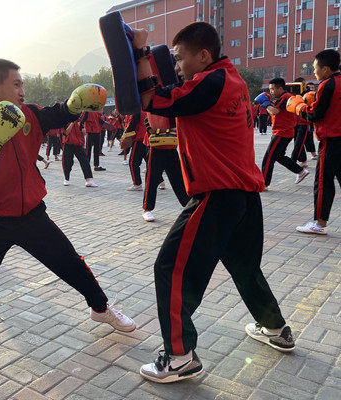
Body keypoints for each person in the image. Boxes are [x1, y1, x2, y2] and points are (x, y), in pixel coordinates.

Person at [0, 58, 135, 379]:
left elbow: (57, 113)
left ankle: (101, 309)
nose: (22, 90)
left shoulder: (29, 114)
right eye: (16, 84)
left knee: (70, 263)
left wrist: (76, 104)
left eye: (22, 84)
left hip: (32, 214)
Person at [129, 22, 294, 383]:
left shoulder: (210, 82)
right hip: (245, 196)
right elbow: (173, 93)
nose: (177, 65)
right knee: (244, 267)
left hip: (219, 195)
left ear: (203, 55)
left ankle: (179, 356)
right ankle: (276, 328)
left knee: (169, 270)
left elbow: (153, 100)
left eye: (180, 58)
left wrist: (141, 53)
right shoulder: (230, 79)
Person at [292, 50, 341, 235]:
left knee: (323, 183)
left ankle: (319, 224)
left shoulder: (327, 85)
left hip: (331, 140)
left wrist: (299, 108)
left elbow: (315, 115)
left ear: (326, 69)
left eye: (315, 68)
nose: (314, 72)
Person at [259, 78, 309, 189]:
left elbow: (274, 112)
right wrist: (267, 104)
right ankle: (300, 171)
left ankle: (264, 183)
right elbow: (275, 111)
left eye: (272, 89)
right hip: (283, 131)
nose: (271, 91)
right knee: (279, 156)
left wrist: (265, 104)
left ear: (280, 88)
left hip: (282, 132)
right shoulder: (283, 97)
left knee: (268, 157)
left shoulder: (285, 97)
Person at [142, 113, 189, 222]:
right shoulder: (153, 110)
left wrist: (169, 129)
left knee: (178, 178)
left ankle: (187, 204)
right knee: (152, 179)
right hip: (155, 147)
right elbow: (150, 128)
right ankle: (147, 209)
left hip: (171, 147)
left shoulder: (173, 110)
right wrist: (167, 130)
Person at [62, 119, 97, 187]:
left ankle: (88, 180)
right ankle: (66, 179)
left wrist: (83, 131)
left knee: (85, 161)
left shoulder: (80, 121)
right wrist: (72, 123)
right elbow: (66, 132)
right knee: (67, 162)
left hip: (78, 144)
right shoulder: (65, 121)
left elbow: (83, 133)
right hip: (68, 144)